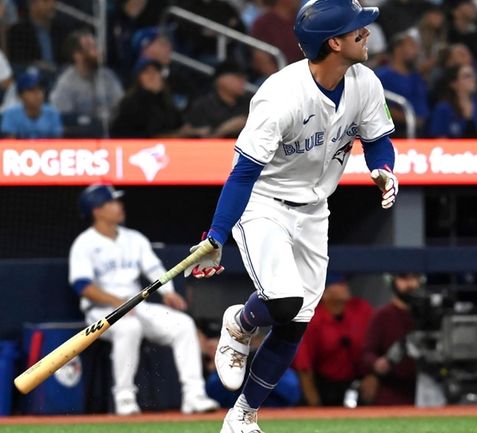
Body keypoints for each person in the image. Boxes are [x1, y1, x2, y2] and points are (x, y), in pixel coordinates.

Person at [181, 0, 397, 430]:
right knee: (283, 301)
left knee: (296, 322)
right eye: (357, 29)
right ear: (333, 42)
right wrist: (217, 237)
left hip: (316, 209)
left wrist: (382, 169)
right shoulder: (279, 95)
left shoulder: (365, 82)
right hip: (265, 203)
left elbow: (377, 138)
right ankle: (240, 323)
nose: (366, 33)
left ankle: (242, 417)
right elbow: (242, 173)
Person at [68, 184, 219, 415]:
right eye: (112, 202)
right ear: (97, 210)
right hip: (101, 312)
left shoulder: (134, 238)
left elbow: (155, 269)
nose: (119, 206)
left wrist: (168, 293)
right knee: (129, 327)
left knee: (183, 325)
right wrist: (116, 303)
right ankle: (124, 399)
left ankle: (194, 395)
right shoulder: (84, 243)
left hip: (136, 305)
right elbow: (83, 286)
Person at [293, 273, 373, 406]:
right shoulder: (313, 318)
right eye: (338, 284)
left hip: (357, 380)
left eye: (344, 283)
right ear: (324, 292)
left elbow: (374, 347)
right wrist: (314, 402)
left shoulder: (361, 309)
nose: (345, 286)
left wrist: (372, 376)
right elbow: (304, 367)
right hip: (324, 383)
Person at [360, 273, 422, 406]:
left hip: (428, 387)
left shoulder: (429, 314)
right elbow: (367, 352)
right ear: (393, 281)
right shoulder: (383, 315)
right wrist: (377, 363)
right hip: (393, 390)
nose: (410, 284)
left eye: (414, 278)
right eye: (404, 278)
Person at [49, 29, 124, 137]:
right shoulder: (66, 83)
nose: (98, 51)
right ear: (77, 55)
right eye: (91, 47)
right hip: (81, 142)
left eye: (96, 46)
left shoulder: (108, 77)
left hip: (111, 137)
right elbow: (61, 118)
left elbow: (121, 107)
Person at [184, 59, 252, 138]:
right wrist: (225, 129)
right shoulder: (203, 106)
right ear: (221, 79)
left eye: (244, 78)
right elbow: (198, 138)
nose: (243, 81)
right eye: (238, 77)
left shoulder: (250, 101)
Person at [1, 69, 62, 138]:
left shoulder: (52, 113)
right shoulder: (11, 114)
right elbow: (10, 145)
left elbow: (56, 144)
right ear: (20, 96)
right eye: (31, 90)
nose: (38, 94)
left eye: (40, 89)